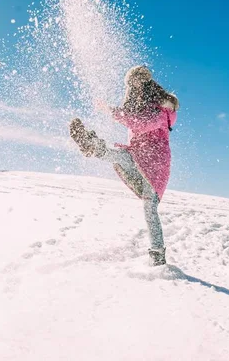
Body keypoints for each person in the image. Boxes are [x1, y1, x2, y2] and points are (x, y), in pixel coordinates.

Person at [68, 66, 179, 266]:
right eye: (131, 84)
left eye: (136, 83)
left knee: (149, 207)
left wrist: (110, 111)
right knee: (125, 160)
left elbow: (139, 125)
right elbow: (134, 120)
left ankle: (158, 259)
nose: (133, 88)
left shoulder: (162, 112)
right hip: (140, 158)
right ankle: (92, 146)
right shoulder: (143, 106)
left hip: (155, 163)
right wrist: (115, 110)